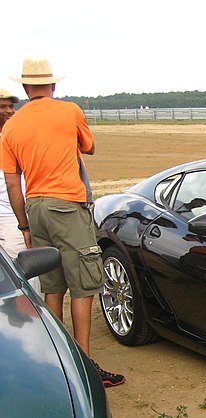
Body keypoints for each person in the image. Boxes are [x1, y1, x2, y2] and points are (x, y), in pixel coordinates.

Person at [1, 57, 124, 387]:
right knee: (83, 284)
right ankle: (83, 365)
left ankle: (58, 363)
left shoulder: (10, 127)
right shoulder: (69, 111)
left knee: (52, 284)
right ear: (53, 86)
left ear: (26, 87)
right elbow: (90, 146)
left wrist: (24, 226)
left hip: (35, 207)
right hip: (67, 205)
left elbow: (14, 183)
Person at [0, 88, 24, 259]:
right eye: (3, 107)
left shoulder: (17, 136)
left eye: (11, 106)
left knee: (18, 265)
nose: (9, 111)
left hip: (13, 215)